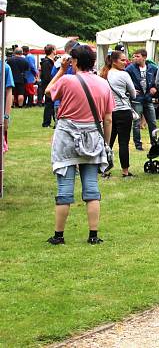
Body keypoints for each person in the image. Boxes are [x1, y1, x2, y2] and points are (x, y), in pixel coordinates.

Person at [45, 44, 114, 245]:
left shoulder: (67, 80)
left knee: (64, 188)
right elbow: (108, 118)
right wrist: (106, 143)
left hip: (67, 137)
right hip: (93, 137)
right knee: (91, 187)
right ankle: (93, 235)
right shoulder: (103, 84)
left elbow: (49, 92)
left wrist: (60, 70)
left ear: (74, 61)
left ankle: (59, 235)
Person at [100, 50, 137, 178]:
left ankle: (104, 169)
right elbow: (133, 94)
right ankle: (125, 171)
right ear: (114, 61)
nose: (125, 62)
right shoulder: (124, 75)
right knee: (123, 142)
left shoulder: (103, 74)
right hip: (123, 111)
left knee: (107, 142)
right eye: (122, 60)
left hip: (108, 112)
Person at [125, 48, 158, 152]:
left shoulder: (152, 68)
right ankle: (138, 145)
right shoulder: (130, 69)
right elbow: (125, 81)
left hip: (148, 98)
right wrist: (131, 90)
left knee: (152, 122)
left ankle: (154, 143)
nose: (135, 58)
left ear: (144, 57)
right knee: (136, 122)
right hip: (137, 98)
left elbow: (158, 81)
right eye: (134, 56)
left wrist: (155, 88)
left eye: (137, 56)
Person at [40, 45, 56, 127]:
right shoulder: (46, 62)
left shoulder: (50, 61)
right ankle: (46, 123)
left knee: (52, 104)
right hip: (48, 86)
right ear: (53, 50)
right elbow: (47, 76)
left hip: (50, 85)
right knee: (49, 104)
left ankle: (53, 121)